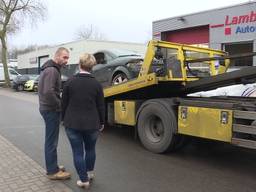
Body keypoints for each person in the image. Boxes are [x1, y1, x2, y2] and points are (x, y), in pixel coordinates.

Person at [62, 53, 105, 189]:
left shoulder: (70, 82)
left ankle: (83, 180)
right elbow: (101, 105)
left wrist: (63, 119)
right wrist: (102, 122)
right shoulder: (97, 84)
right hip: (92, 124)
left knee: (78, 152)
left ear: (79, 65)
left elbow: (64, 103)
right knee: (90, 149)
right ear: (92, 66)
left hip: (72, 123)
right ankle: (89, 173)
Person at [38, 47, 71, 180]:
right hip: (51, 110)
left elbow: (50, 91)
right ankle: (53, 171)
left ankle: (53, 166)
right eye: (64, 57)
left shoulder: (50, 68)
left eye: (68, 58)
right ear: (57, 56)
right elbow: (48, 92)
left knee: (51, 140)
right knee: (51, 141)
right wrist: (60, 105)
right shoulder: (52, 70)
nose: (66, 61)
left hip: (47, 108)